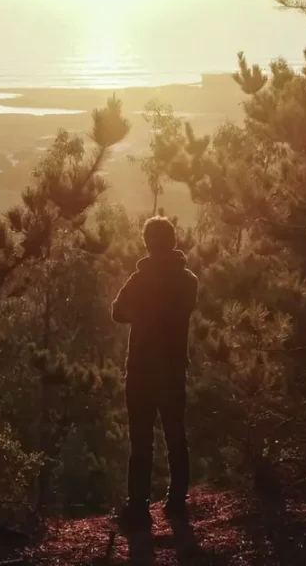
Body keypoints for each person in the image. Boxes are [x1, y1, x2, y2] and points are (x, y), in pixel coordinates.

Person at [111, 217, 199, 530]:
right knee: (175, 434)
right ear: (172, 241)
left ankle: (138, 505)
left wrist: (142, 312)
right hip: (172, 370)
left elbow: (117, 311)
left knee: (141, 440)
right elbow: (177, 311)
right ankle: (177, 500)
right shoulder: (188, 280)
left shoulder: (140, 279)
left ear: (148, 243)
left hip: (141, 369)